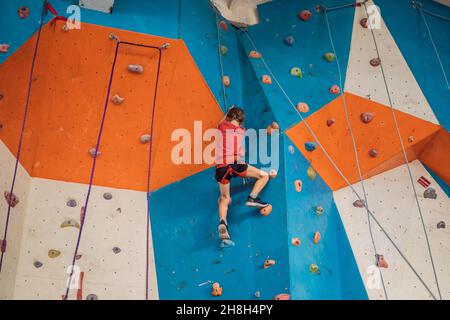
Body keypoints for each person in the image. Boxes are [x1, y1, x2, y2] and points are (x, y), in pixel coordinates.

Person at [215, 106, 270, 240]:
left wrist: (228, 111)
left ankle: (223, 221)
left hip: (221, 167)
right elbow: (241, 152)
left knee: (224, 198)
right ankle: (252, 197)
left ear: (229, 117)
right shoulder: (241, 131)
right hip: (236, 164)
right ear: (241, 122)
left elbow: (220, 123)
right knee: (264, 176)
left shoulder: (222, 126)